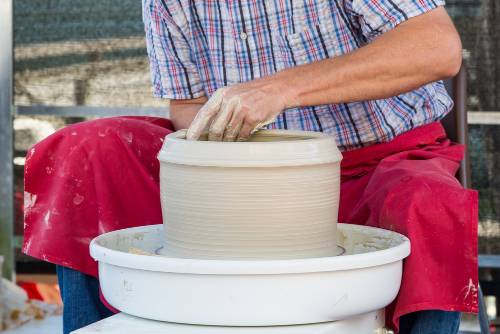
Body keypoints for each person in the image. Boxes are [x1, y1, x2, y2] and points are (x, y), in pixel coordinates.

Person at [23, 1, 478, 333]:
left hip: (380, 161)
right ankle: (94, 328)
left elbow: (437, 48)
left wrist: (281, 89)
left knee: (430, 205)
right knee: (84, 151)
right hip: (244, 167)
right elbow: (189, 108)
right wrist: (237, 172)